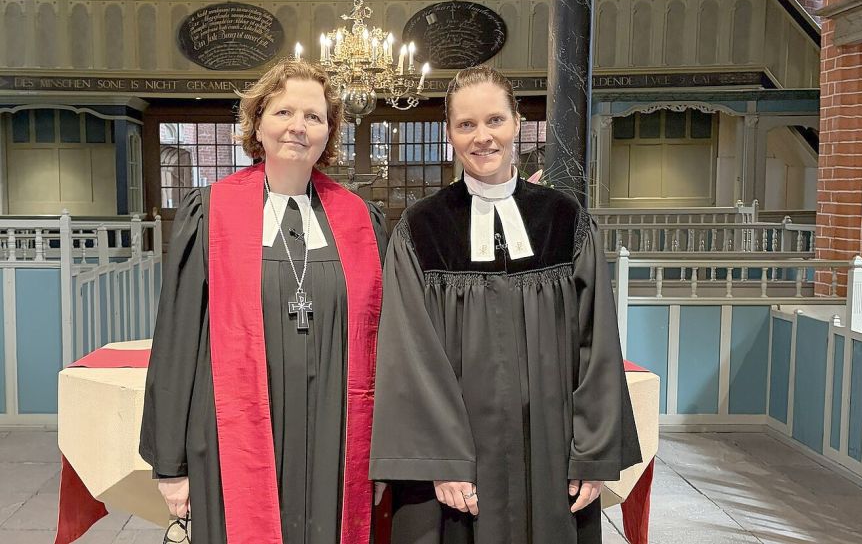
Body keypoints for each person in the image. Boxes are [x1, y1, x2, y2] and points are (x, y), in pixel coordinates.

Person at [369, 65, 641, 544]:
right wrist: (444, 461)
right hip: (458, 465)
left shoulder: (564, 221)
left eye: (494, 120)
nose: (482, 137)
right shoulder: (421, 229)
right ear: (449, 133)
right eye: (466, 124)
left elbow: (596, 342)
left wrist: (592, 454)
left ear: (517, 121)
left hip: (551, 450)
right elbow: (409, 354)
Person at [139, 58, 387, 544]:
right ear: (257, 123)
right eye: (283, 112)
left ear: (329, 133)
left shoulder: (362, 220)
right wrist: (171, 464)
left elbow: (384, 346)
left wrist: (382, 455)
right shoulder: (211, 212)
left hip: (335, 437)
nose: (298, 126)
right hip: (232, 436)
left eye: (313, 116)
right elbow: (177, 340)